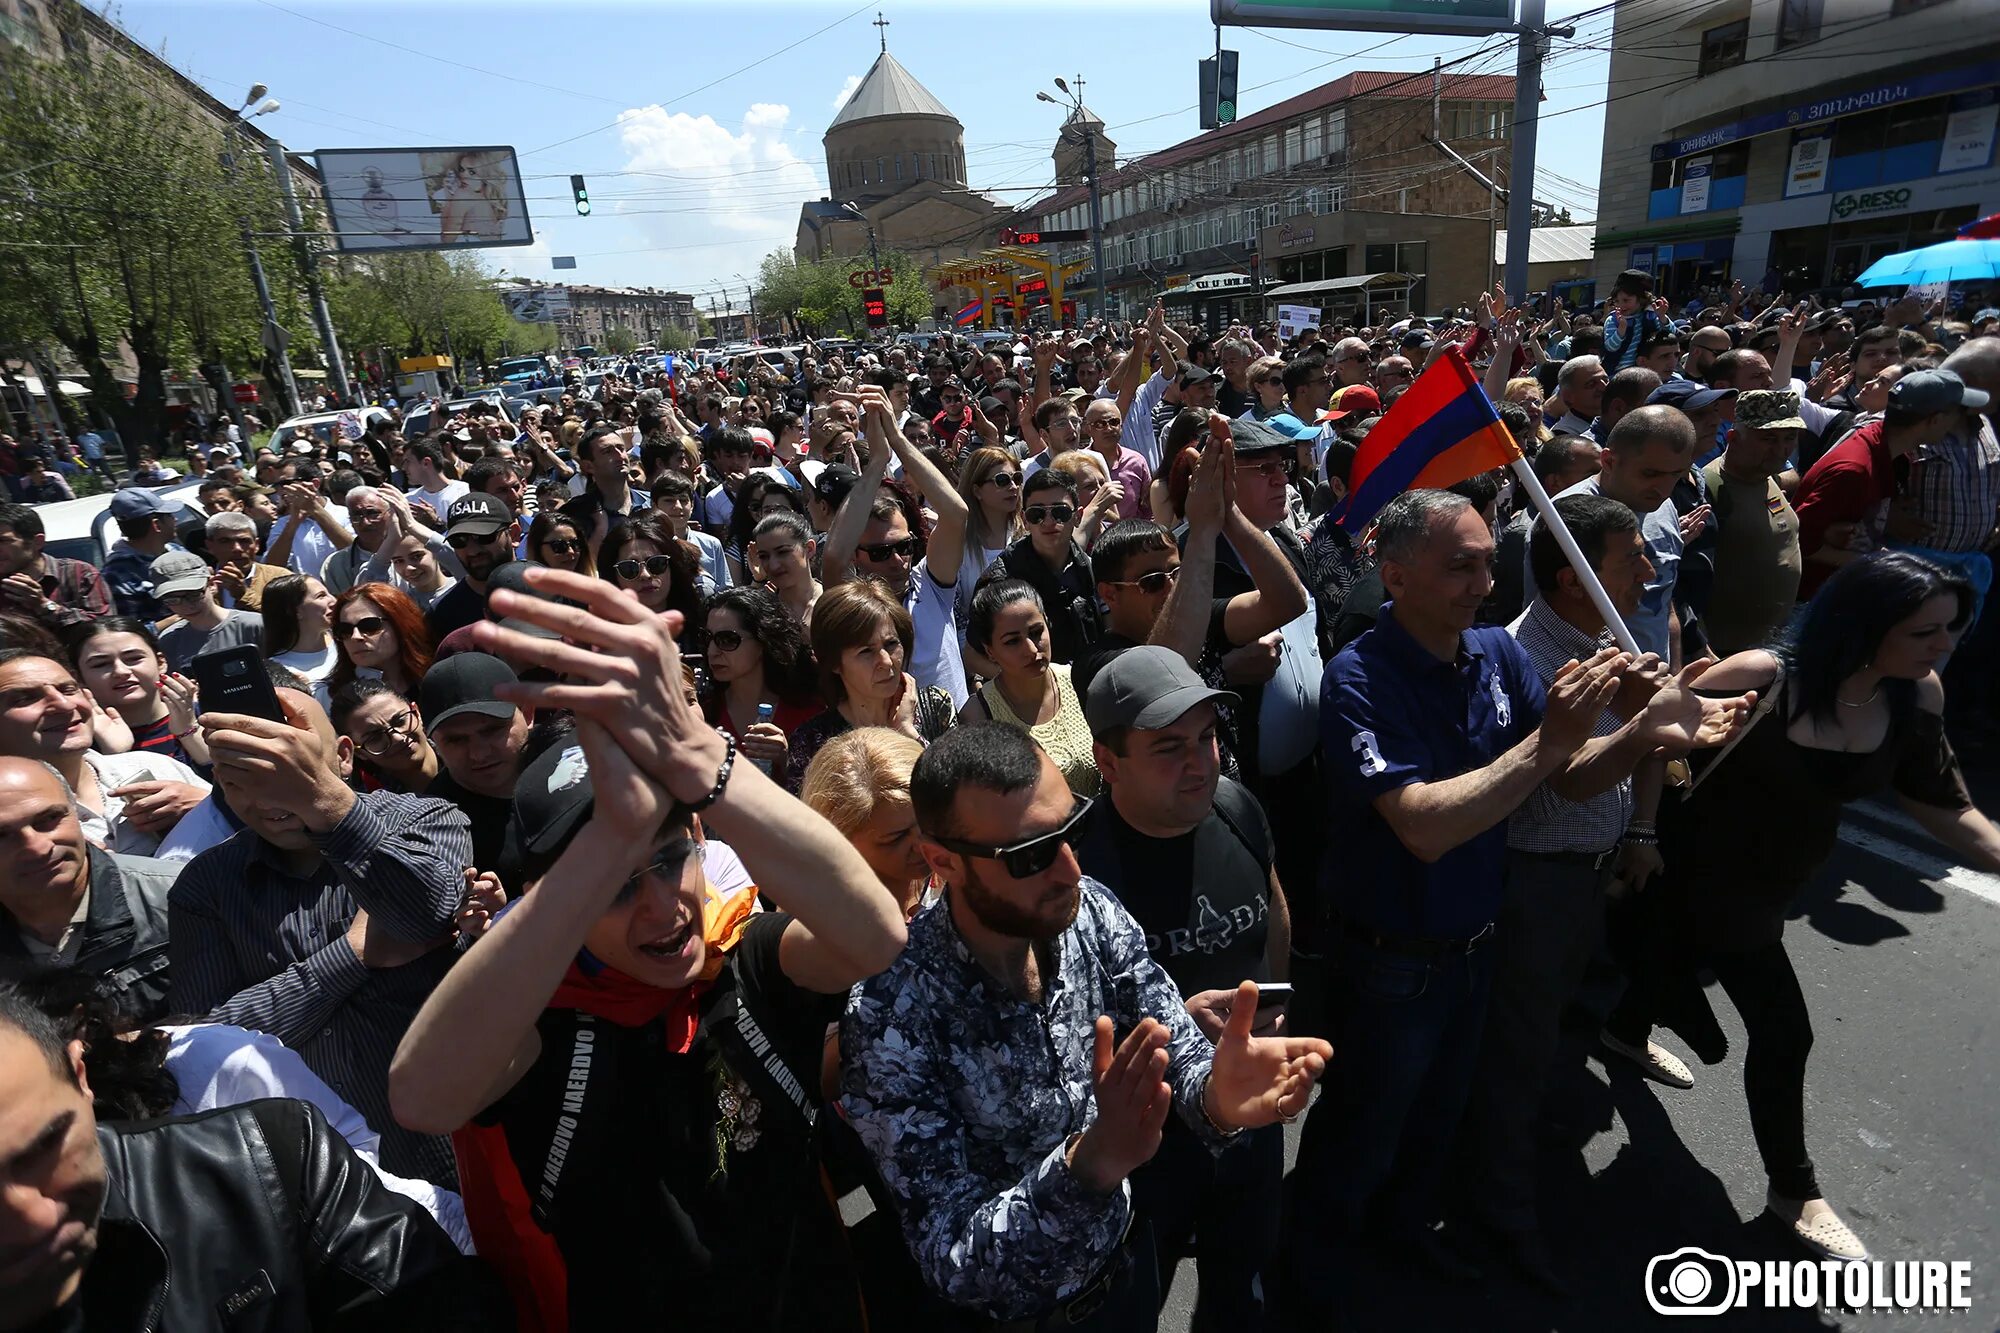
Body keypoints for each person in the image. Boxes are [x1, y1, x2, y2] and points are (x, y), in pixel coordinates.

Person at [388, 567, 908, 1331]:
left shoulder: (747, 963)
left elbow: (876, 934)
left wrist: (703, 757)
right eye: (613, 887)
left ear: (698, 837)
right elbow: (422, 1097)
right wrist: (605, 846)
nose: (662, 907)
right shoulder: (540, 1026)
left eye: (668, 858)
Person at [1292, 489, 1749, 1283]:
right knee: (1366, 1125)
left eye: (1485, 562)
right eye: (1458, 565)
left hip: (1477, 942)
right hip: (1391, 959)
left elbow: (1570, 778)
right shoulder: (1360, 678)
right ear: (1394, 577)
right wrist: (1549, 745)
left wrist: (1646, 731)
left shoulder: (1492, 656)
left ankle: (1402, 1236)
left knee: (1436, 1118)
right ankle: (1315, 1275)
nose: (1481, 583)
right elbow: (1425, 826)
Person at [840, 722, 1332, 1324]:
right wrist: (1089, 1167)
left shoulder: (1089, 912)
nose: (1070, 869)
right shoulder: (891, 1015)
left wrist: (1218, 1097)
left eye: (1072, 828)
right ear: (943, 861)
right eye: (1030, 855)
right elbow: (950, 1254)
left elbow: (1175, 1041)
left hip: (1127, 1274)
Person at [1604, 553, 2000, 1262]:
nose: (1945, 645)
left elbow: (1946, 807)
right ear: (1866, 624)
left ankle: (1622, 1030)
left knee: (1678, 972)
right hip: (1689, 866)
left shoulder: (1917, 695)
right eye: (1926, 631)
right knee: (1784, 1032)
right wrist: (1640, 831)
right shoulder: (1760, 676)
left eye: (1951, 629)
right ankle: (1795, 1192)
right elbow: (1655, 741)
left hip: (1778, 879)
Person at [0, 983, 504, 1330]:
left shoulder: (272, 1160)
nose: (33, 1214)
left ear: (80, 1078)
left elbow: (441, 1306)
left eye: (44, 1147)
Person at [169, 677, 471, 1187]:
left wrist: (325, 802)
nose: (270, 793)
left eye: (290, 767)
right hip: (326, 1179)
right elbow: (205, 1044)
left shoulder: (426, 818)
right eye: (242, 776)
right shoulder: (206, 885)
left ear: (344, 757)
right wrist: (352, 955)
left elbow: (428, 916)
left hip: (457, 1148)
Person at [1073, 647, 1292, 1329]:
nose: (1202, 761)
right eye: (1170, 747)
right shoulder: (1074, 871)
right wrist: (1166, 1028)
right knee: (1134, 1297)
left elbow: (1274, 909)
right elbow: (1051, 1023)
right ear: (1108, 764)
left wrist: (1275, 1014)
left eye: (1207, 737)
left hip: (1247, 1114)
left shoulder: (1235, 806)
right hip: (1145, 1144)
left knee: (1244, 1285)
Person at [0, 756, 180, 1022]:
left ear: (77, 813)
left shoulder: (180, 897)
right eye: (1, 835)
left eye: (49, 818)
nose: (37, 847)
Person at [823, 388, 972, 708]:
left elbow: (957, 515)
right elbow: (833, 560)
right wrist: (877, 461)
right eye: (879, 552)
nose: (896, 560)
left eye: (905, 547)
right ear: (857, 556)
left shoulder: (930, 584)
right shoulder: (854, 602)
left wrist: (896, 438)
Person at [1792, 367, 1985, 600]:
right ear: (1935, 420)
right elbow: (1796, 542)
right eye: (1959, 413)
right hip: (1813, 600)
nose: (1961, 421)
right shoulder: (1854, 469)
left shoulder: (1885, 449)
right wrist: (1877, 559)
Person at [0, 649, 209, 857]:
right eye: (25, 699)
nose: (64, 705)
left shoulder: (156, 766)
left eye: (68, 689)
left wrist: (206, 805)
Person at [1545, 405, 1699, 663]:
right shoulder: (1563, 522)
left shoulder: (1662, 504)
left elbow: (1663, 603)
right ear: (1608, 461)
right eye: (1650, 474)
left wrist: (1672, 678)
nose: (1664, 489)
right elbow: (1548, 627)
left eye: (1676, 475)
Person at [786, 578, 955, 792]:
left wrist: (908, 734)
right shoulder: (812, 740)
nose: (886, 661)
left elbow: (955, 795)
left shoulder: (936, 706)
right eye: (866, 651)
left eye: (891, 644)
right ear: (835, 664)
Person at [960, 579, 1098, 796]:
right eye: (1012, 641)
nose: (1032, 649)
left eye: (1036, 632)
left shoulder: (1080, 681)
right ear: (990, 652)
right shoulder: (978, 715)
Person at [1700, 389, 1805, 656]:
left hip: (1773, 645)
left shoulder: (1766, 476)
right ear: (1734, 438)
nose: (1781, 449)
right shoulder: (1710, 489)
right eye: (1768, 439)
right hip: (1727, 654)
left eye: (1789, 438)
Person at [800, 727, 931, 919]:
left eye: (929, 820)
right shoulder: (822, 923)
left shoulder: (963, 872)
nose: (924, 844)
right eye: (897, 837)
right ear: (839, 839)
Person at [417, 651, 529, 873]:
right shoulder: (435, 830)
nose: (479, 753)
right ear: (433, 742)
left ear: (529, 713)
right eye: (456, 740)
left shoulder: (575, 760)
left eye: (492, 730)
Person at [700, 585, 819, 775]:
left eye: (727, 639)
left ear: (763, 641)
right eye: (707, 638)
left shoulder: (809, 710)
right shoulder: (702, 712)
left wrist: (787, 758)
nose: (712, 652)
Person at [66, 618, 210, 768]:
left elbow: (229, 784)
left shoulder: (209, 717)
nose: (121, 671)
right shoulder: (78, 743)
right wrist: (115, 755)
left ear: (160, 663)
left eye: (134, 658)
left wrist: (188, 731)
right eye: (101, 664)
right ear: (79, 677)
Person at [0, 502, 112, 630]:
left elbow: (105, 629)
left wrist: (44, 605)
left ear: (37, 542)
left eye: (2, 541)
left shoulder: (79, 574)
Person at [148, 551, 263, 674]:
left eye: (194, 595)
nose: (187, 605)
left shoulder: (256, 626)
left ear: (212, 585)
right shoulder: (169, 640)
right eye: (172, 599)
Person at [427, 493, 522, 641]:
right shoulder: (442, 613)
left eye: (484, 537)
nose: (472, 551)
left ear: (514, 534)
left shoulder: (550, 590)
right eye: (459, 541)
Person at [332, 678, 443, 793]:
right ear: (359, 752)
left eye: (400, 721)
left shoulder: (460, 748)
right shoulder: (369, 806)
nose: (398, 738)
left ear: (417, 713)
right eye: (375, 737)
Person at [328, 583, 434, 699]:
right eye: (345, 630)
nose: (355, 636)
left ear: (400, 625)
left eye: (369, 625)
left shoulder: (435, 678)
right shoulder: (331, 695)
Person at [598, 510, 703, 624]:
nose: (645, 575)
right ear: (614, 577)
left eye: (656, 564)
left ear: (672, 568)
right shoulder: (601, 635)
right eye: (630, 568)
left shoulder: (705, 626)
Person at [101, 488, 186, 622]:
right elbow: (129, 631)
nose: (175, 519)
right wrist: (182, 617)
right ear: (156, 524)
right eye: (169, 515)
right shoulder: (118, 574)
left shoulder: (177, 550)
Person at [559, 424, 648, 544]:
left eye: (621, 448)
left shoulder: (652, 502)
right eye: (607, 452)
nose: (620, 456)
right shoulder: (575, 515)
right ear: (588, 466)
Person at [201, 510, 289, 613]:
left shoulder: (279, 578)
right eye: (225, 541)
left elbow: (291, 619)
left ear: (256, 545)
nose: (237, 548)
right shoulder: (202, 583)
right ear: (210, 546)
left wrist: (244, 595)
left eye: (244, 541)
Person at [747, 511, 822, 628]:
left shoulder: (836, 604)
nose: (773, 565)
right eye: (764, 556)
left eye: (783, 552)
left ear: (809, 549)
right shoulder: (762, 613)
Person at [403, 440, 468, 519]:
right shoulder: (407, 500)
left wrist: (436, 523)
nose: (404, 468)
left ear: (426, 463)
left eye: (408, 462)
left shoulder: (464, 492)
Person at [524, 509, 595, 577]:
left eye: (575, 543)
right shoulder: (523, 587)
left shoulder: (594, 585)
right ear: (538, 548)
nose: (571, 551)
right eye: (559, 546)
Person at [1550, 355, 1608, 437]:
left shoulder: (1615, 420)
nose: (1604, 387)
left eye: (1606, 380)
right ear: (1569, 396)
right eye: (1592, 384)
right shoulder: (1564, 435)